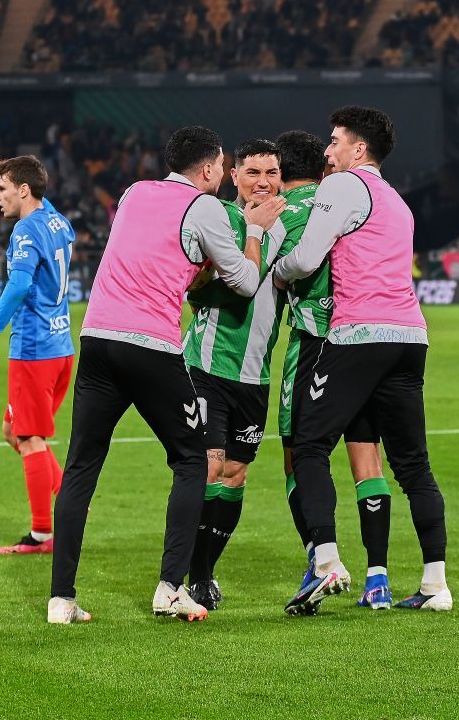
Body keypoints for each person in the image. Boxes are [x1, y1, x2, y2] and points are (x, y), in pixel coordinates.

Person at [47, 126, 285, 624]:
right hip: (150, 346)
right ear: (209, 168)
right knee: (192, 460)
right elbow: (245, 283)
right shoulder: (205, 207)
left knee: (81, 466)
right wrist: (255, 230)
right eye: (224, 165)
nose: (224, 172)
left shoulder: (134, 192)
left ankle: (61, 600)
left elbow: (156, 254)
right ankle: (170, 589)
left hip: (97, 337)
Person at [272, 106, 451, 614]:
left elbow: (306, 257)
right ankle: (435, 584)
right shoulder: (397, 201)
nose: (327, 151)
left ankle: (326, 559)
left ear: (359, 148)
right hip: (410, 335)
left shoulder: (344, 186)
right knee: (413, 465)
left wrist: (278, 274)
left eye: (335, 141)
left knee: (308, 444)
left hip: (359, 334)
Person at [273, 129, 394, 612]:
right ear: (321, 168)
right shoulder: (347, 203)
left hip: (312, 344)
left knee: (299, 453)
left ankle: (322, 558)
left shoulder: (283, 212)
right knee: (367, 457)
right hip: (359, 342)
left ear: (280, 172)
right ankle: (378, 579)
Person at [182, 139, 287, 610]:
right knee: (209, 465)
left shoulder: (295, 225)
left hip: (255, 373)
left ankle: (205, 569)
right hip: (207, 364)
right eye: (252, 172)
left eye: (271, 172)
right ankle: (193, 575)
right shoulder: (219, 217)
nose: (262, 182)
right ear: (234, 176)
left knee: (236, 474)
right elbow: (193, 283)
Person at [0, 149, 75, 557]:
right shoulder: (56, 220)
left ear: (24, 190)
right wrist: (7, 171)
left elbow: (18, 286)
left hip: (34, 351)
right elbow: (39, 195)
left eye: (2, 189)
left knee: (29, 439)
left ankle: (42, 534)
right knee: (12, 431)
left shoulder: (25, 231)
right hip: (61, 349)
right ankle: (69, 497)